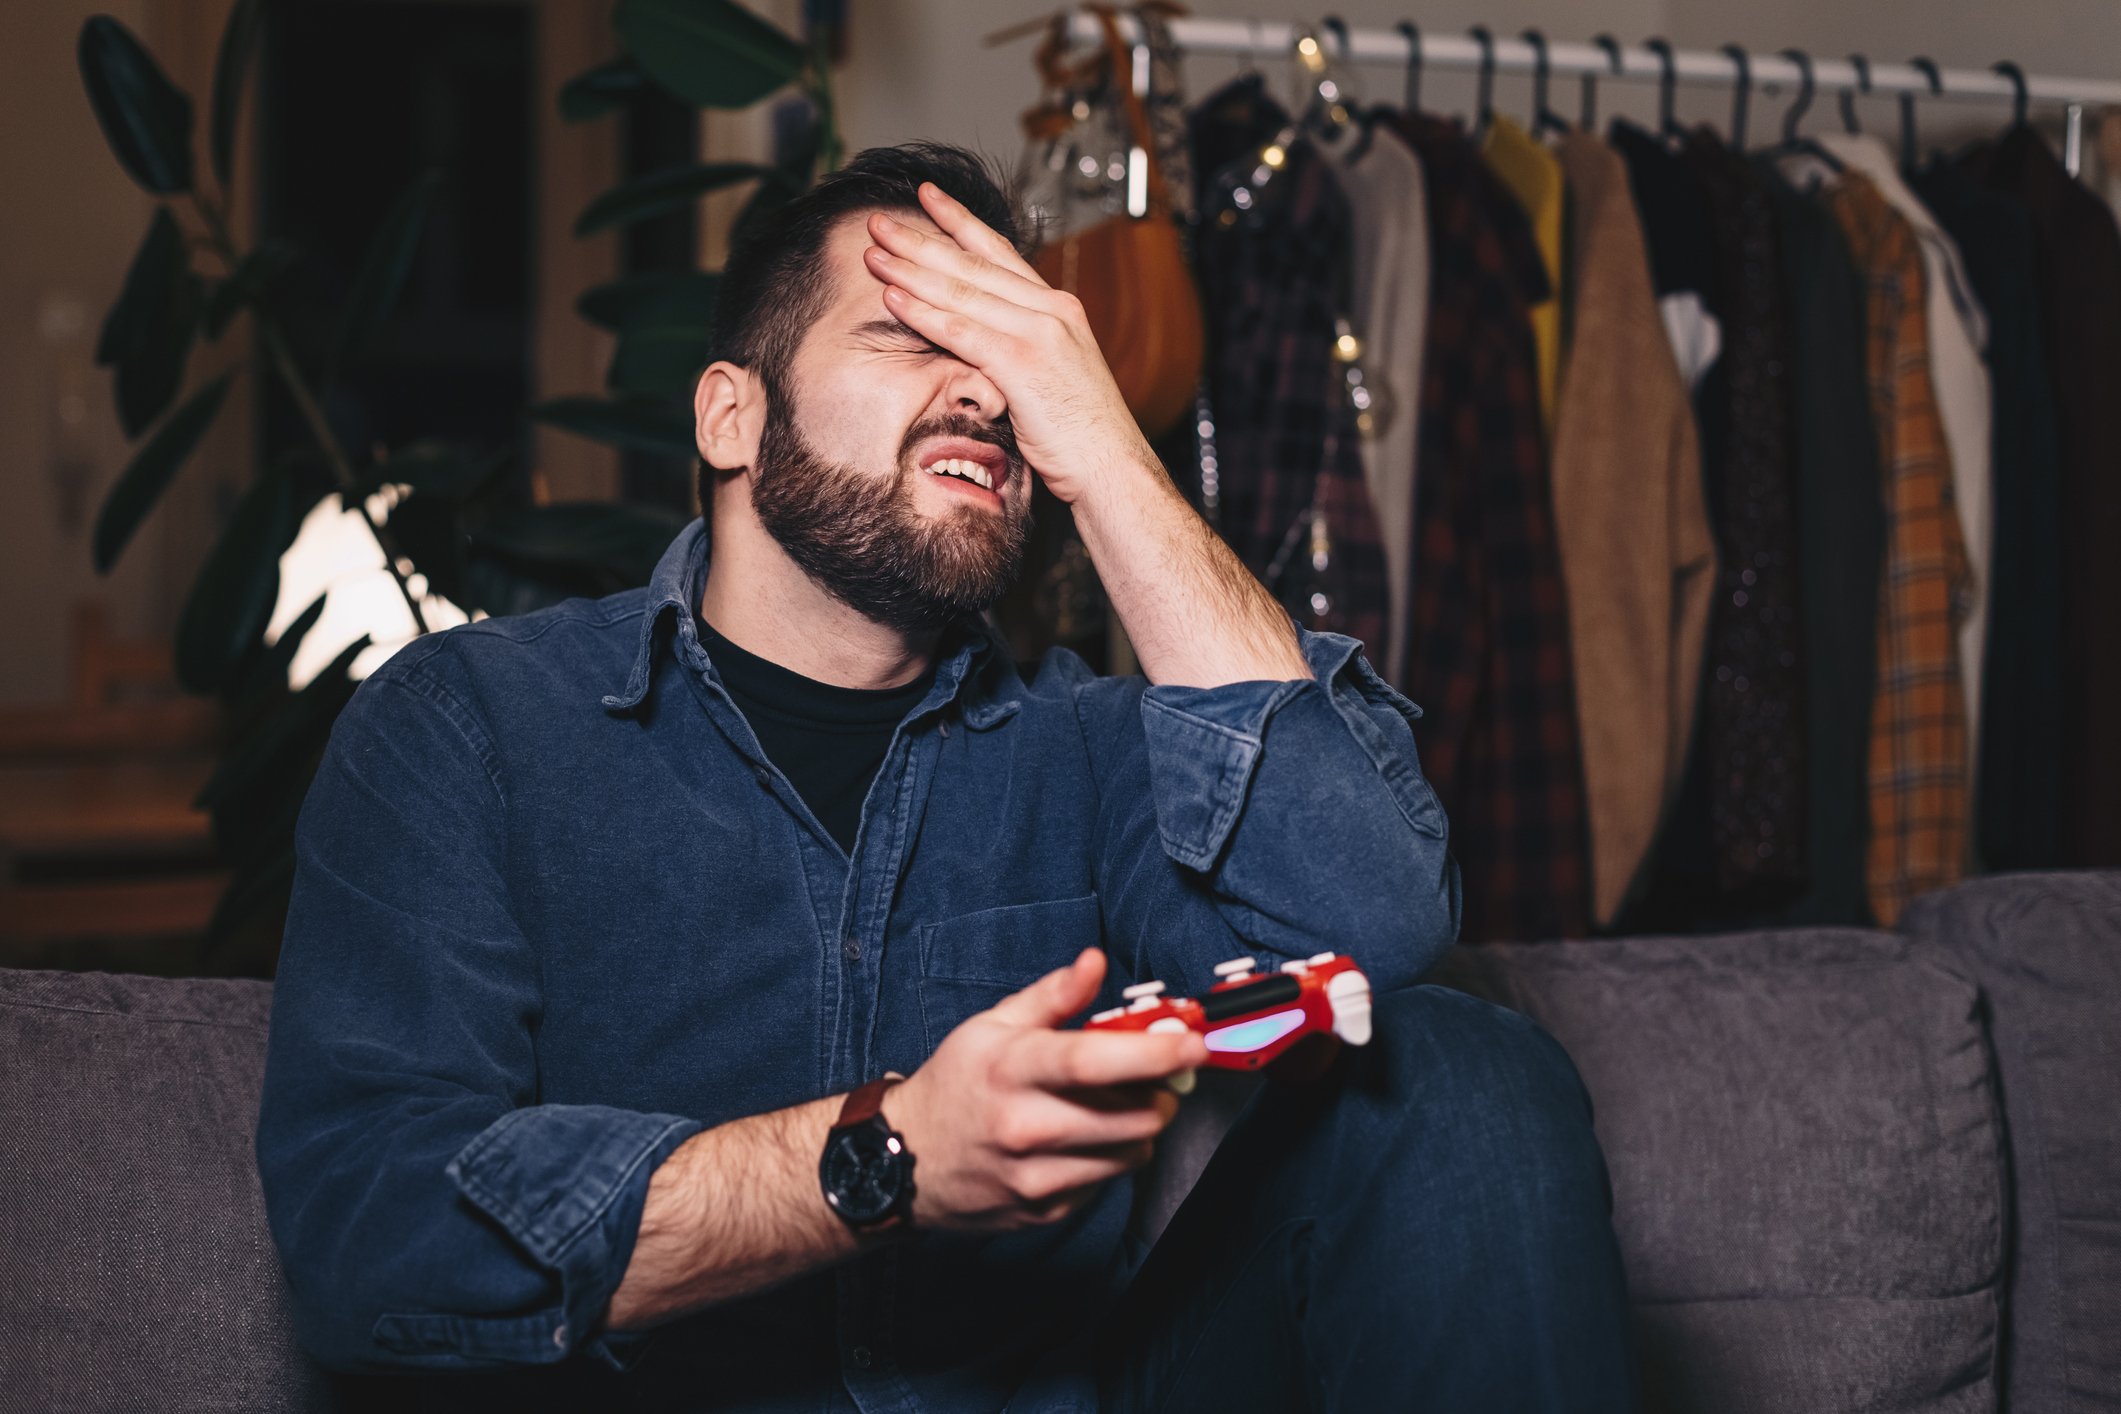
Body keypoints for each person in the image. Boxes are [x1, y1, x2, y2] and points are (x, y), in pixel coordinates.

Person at [256, 141, 1638, 1412]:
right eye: (913, 332)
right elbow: (370, 1235)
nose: (982, 387)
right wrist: (883, 1154)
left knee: (1455, 1068)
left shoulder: (1085, 747)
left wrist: (1103, 450)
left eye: (1015, 360)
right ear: (732, 417)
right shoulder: (472, 727)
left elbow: (1375, 926)